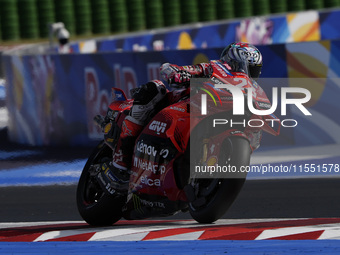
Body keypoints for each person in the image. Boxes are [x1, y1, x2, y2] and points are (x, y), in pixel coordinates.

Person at [109, 42, 263, 189]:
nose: (247, 73)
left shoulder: (253, 91)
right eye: (245, 66)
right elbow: (182, 69)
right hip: (183, 104)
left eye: (253, 69)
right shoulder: (214, 67)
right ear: (232, 61)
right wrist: (178, 73)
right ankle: (121, 159)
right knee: (155, 88)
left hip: (214, 117)